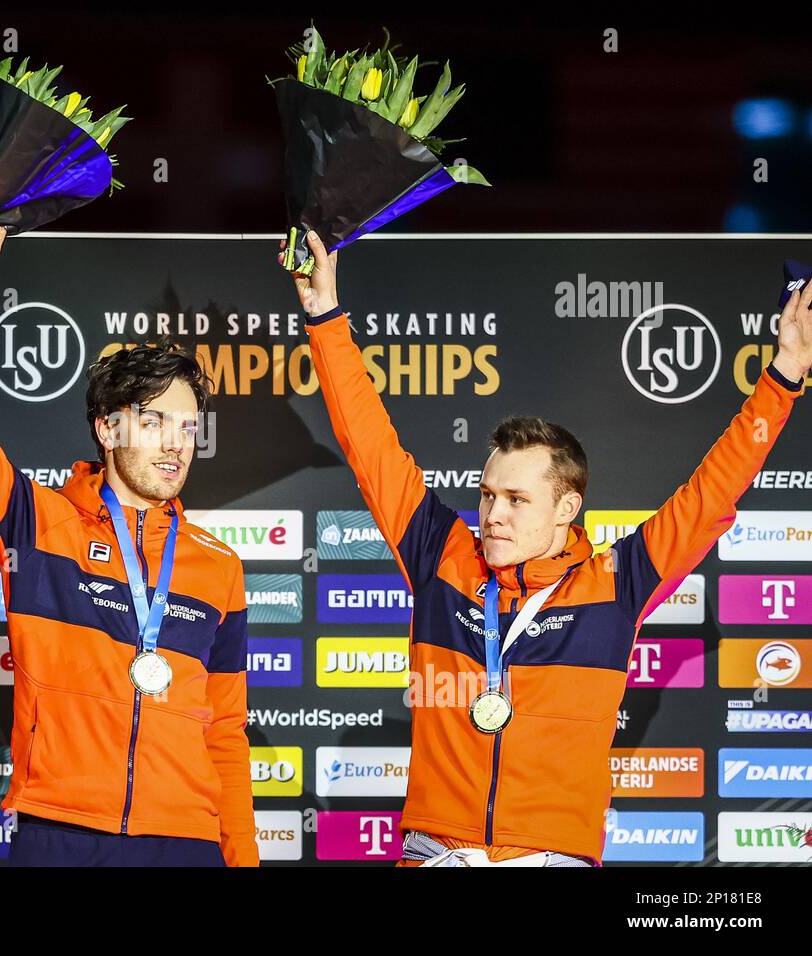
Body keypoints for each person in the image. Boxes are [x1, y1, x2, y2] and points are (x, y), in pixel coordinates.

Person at [285, 229, 811, 866]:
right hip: (434, 852)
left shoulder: (617, 582)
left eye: (517, 500)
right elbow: (369, 445)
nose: (493, 515)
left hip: (551, 857)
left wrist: (781, 377)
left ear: (567, 508)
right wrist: (324, 317)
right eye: (487, 495)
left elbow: (712, 491)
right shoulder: (440, 557)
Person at [0, 199, 257, 866]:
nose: (175, 445)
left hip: (185, 840)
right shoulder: (39, 521)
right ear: (107, 429)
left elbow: (226, 730)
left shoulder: (218, 566)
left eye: (187, 427)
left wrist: (240, 857)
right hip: (56, 828)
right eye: (155, 421)